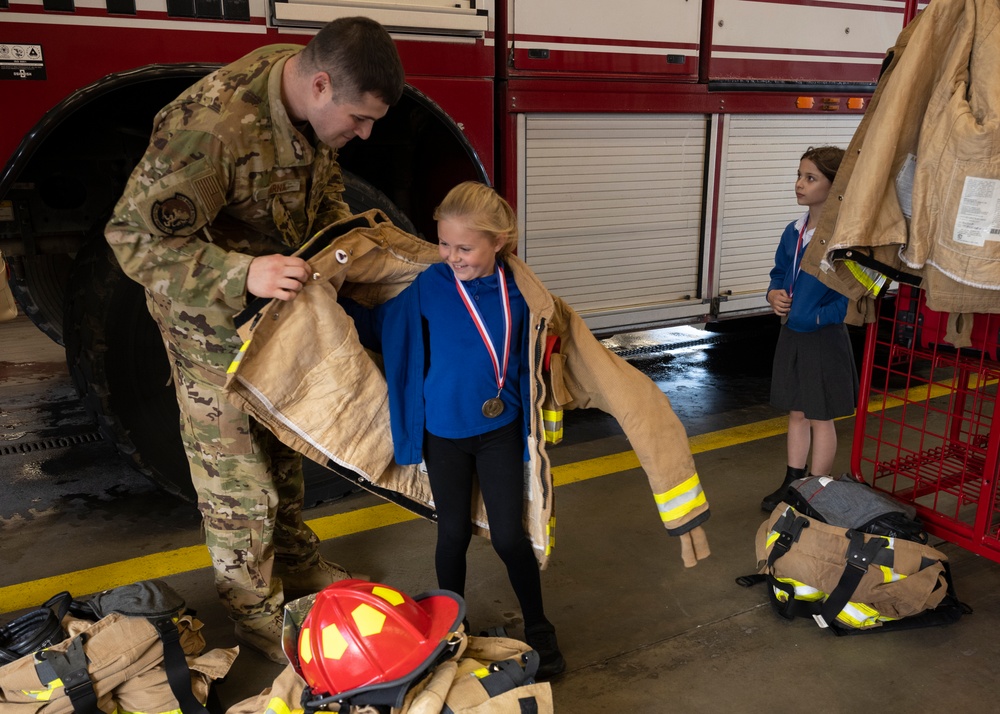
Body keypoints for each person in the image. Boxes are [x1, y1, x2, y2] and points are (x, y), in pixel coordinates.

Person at [103, 16, 406, 663]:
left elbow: (317, 195)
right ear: (321, 84)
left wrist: (340, 251)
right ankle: (258, 614)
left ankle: (296, 564)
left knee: (281, 443)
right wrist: (245, 273)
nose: (364, 134)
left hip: (272, 308)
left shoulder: (299, 97)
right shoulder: (213, 128)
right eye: (358, 117)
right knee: (237, 476)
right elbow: (133, 239)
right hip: (206, 316)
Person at [368, 182, 711, 680]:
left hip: (499, 432)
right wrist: (325, 302)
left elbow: (566, 358)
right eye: (444, 244)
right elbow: (382, 326)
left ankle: (539, 626)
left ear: (500, 241)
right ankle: (449, 631)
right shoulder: (431, 285)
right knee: (452, 534)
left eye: (464, 247)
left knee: (510, 537)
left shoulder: (528, 298)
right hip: (442, 434)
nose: (451, 256)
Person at [761, 146, 859, 512]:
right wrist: (773, 293)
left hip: (823, 337)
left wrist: (821, 317)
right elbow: (778, 272)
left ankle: (817, 492)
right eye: (799, 176)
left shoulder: (844, 239)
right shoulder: (794, 231)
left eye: (810, 178)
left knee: (820, 415)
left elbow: (858, 290)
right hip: (792, 333)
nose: (799, 184)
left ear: (834, 187)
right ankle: (792, 481)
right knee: (797, 411)